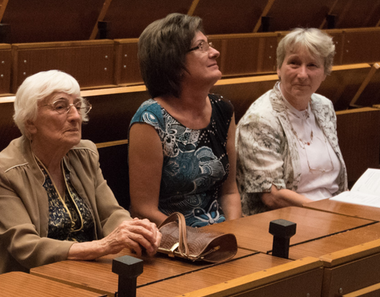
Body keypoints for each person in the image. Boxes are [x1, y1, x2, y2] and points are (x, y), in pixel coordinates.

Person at [0, 70, 161, 276]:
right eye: (60, 107)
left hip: (86, 270)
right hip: (27, 279)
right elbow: (25, 245)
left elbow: (110, 213)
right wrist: (102, 246)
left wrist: (133, 230)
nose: (76, 116)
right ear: (30, 122)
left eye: (78, 106)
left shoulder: (85, 154)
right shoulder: (3, 171)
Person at [128, 13, 242, 227]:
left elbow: (230, 192)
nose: (215, 52)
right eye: (201, 47)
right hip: (172, 235)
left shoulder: (223, 109)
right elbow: (144, 210)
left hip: (221, 230)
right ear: (174, 63)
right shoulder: (150, 119)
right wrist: (196, 239)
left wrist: (233, 232)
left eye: (209, 44)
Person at [235, 27, 348, 214]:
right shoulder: (259, 120)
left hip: (331, 211)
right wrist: (327, 211)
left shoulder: (324, 106)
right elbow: (272, 196)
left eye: (312, 65)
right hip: (285, 219)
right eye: (294, 63)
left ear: (325, 73)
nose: (302, 74)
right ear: (279, 68)